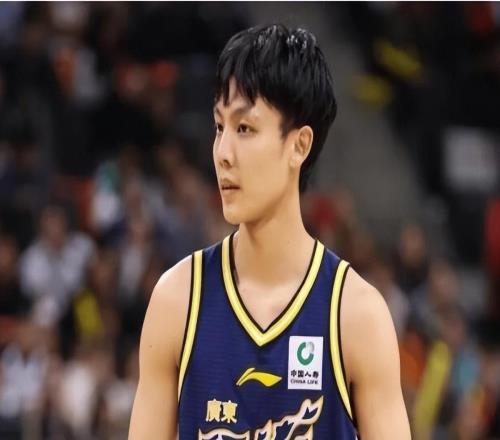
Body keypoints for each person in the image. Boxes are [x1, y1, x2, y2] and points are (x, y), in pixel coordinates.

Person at [129, 24, 411, 439]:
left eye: (244, 128)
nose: (223, 153)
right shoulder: (177, 301)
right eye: (219, 127)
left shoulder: (357, 316)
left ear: (299, 145)